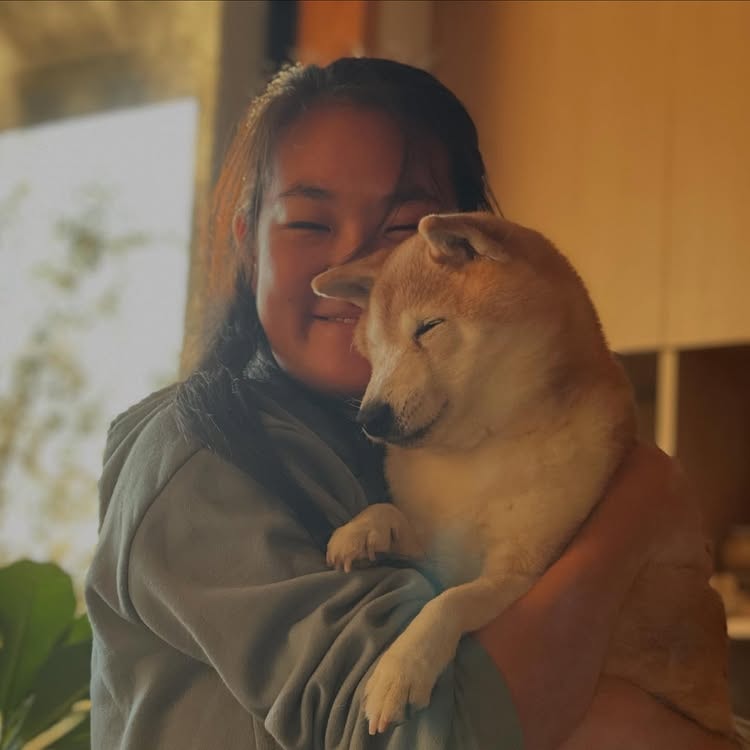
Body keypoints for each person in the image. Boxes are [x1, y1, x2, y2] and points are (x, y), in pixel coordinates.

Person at [85, 57, 737, 749]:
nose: (359, 262)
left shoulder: (426, 443)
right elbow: (416, 732)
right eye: (308, 224)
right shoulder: (191, 457)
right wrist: (637, 502)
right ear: (249, 247)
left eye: (401, 229)